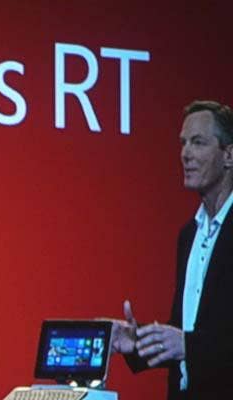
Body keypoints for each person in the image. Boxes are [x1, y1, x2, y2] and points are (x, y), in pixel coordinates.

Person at [111, 100, 233, 399]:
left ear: (229, 155)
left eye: (198, 142)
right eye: (183, 143)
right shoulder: (189, 235)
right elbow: (183, 332)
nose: (185, 154)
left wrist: (189, 346)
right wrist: (137, 342)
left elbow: (189, 343)